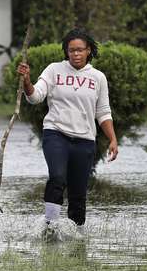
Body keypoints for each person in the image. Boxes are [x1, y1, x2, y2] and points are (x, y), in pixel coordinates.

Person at [17, 28, 118, 229]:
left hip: (85, 140)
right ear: (66, 51)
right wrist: (27, 82)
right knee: (57, 177)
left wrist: (113, 139)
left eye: (80, 50)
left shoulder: (98, 78)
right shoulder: (54, 70)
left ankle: (76, 233)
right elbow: (35, 97)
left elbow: (103, 112)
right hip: (56, 134)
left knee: (78, 192)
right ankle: (50, 226)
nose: (76, 54)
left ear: (88, 50)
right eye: (72, 50)